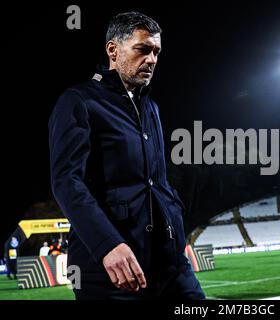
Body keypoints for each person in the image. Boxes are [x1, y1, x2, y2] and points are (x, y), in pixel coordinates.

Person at [49, 11, 204, 300]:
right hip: (111, 270)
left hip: (171, 268)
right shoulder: (78, 101)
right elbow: (66, 181)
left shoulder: (151, 108)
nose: (153, 59)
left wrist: (174, 228)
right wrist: (106, 244)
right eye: (143, 49)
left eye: (157, 52)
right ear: (113, 50)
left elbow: (156, 183)